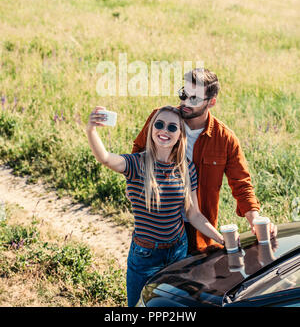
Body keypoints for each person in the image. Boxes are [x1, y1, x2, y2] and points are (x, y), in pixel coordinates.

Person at [86, 105, 224, 307]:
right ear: (151, 130)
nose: (164, 131)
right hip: (146, 255)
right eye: (159, 124)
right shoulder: (136, 164)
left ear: (180, 134)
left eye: (172, 127)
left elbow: (193, 214)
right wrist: (91, 130)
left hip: (178, 250)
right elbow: (105, 158)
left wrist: (221, 239)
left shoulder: (186, 168)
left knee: (171, 307)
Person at [132, 68, 277, 254]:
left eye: (194, 99)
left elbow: (242, 185)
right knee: (153, 280)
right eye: (184, 94)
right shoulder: (160, 120)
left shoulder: (225, 139)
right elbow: (137, 156)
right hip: (157, 227)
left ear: (211, 102)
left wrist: (256, 221)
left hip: (199, 230)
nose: (185, 102)